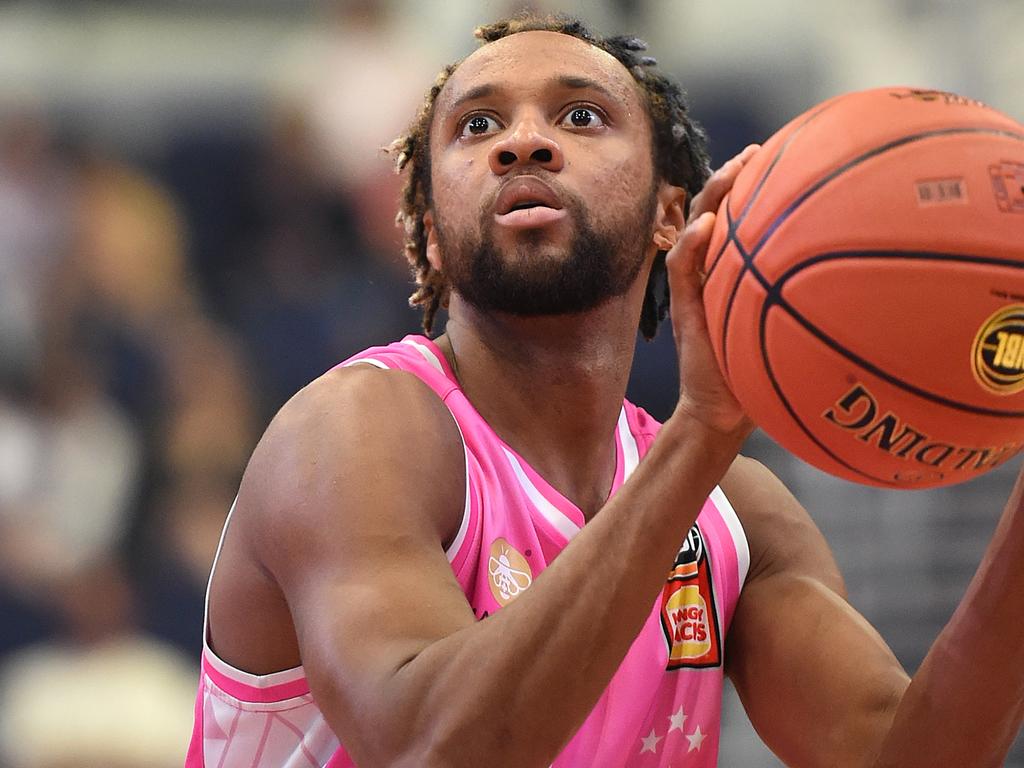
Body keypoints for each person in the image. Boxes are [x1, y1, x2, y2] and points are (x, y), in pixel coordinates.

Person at [185, 14, 1024, 768]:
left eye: (580, 116)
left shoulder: (732, 513)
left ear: (670, 213)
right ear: (431, 237)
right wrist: (701, 433)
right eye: (478, 126)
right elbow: (430, 750)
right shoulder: (357, 431)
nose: (522, 144)